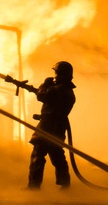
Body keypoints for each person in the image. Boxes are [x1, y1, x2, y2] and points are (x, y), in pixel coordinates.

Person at [27, 61, 76, 189]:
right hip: (58, 127)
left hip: (48, 126)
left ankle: (33, 186)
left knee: (38, 154)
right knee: (57, 156)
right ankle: (65, 185)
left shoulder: (57, 90)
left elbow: (42, 95)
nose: (54, 76)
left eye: (56, 73)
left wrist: (45, 83)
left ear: (61, 74)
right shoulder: (68, 91)